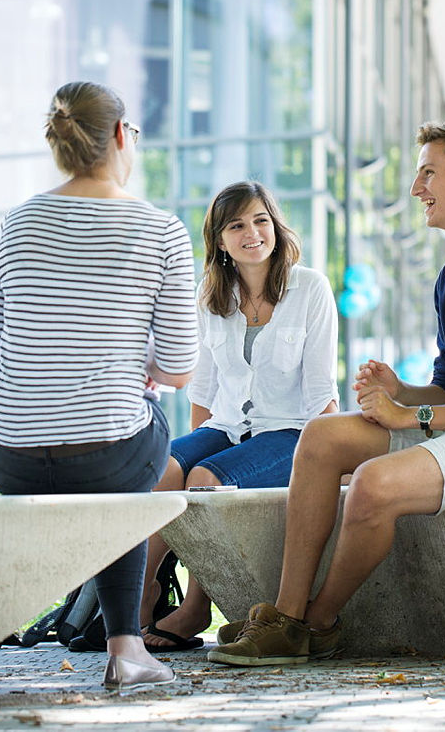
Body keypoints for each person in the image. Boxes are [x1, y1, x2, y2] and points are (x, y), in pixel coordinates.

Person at [207, 120, 445, 666]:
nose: (416, 189)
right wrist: (401, 391)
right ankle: (287, 619)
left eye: (428, 173)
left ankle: (319, 621)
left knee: (373, 484)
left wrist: (408, 417)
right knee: (319, 439)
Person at [0, 81, 197, 694]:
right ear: (122, 136)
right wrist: (135, 364)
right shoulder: (161, 231)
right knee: (145, 432)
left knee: (120, 439)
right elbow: (179, 370)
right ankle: (126, 647)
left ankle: (117, 642)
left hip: (10, 454)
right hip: (106, 456)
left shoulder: (15, 224)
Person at [139, 181, 339, 652]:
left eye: (260, 220)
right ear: (221, 241)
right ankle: (139, 601)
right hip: (225, 427)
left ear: (275, 226)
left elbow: (319, 392)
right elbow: (204, 391)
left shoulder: (309, 287)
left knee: (206, 479)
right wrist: (186, 457)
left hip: (291, 430)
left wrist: (333, 460)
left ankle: (193, 610)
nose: (252, 233)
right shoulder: (211, 296)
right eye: (237, 225)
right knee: (159, 469)